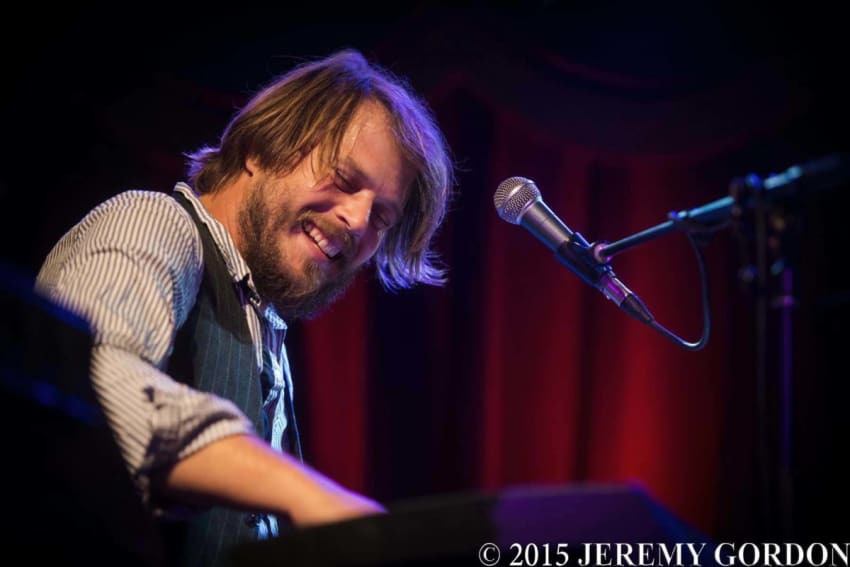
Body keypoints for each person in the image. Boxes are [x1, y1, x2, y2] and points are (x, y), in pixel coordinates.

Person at [35, 49, 455, 566]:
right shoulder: (152, 222)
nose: (357, 221)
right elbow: (92, 381)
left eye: (381, 217)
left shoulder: (261, 324)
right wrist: (311, 495)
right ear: (262, 148)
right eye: (346, 181)